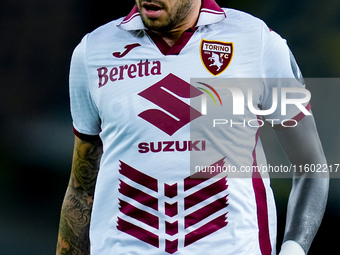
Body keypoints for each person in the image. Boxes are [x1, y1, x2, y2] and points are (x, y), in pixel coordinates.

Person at [56, 0, 329, 254]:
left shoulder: (257, 41)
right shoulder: (92, 52)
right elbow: (81, 187)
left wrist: (294, 250)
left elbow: (311, 164)